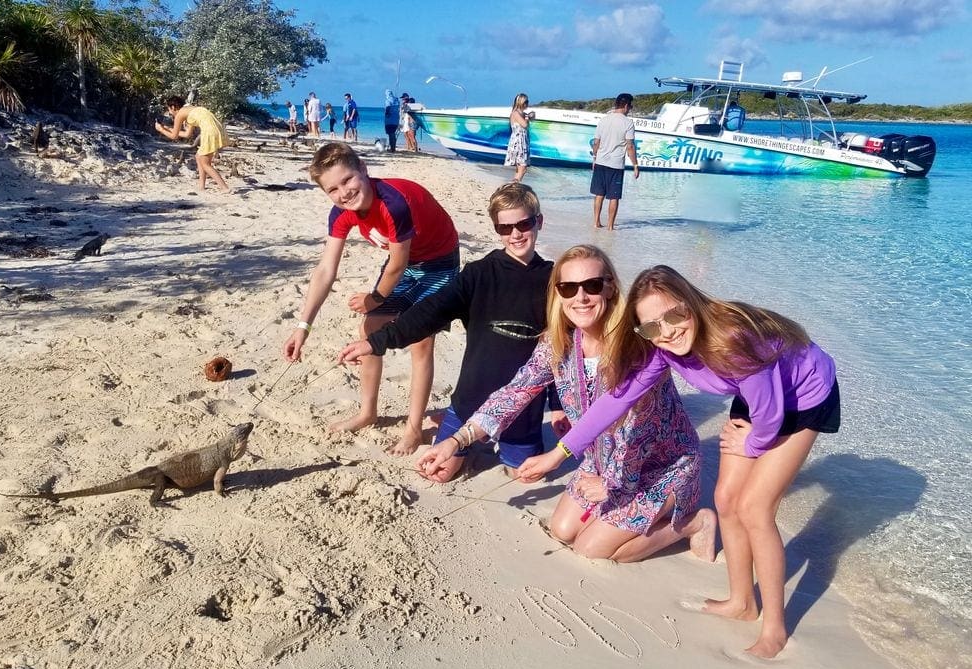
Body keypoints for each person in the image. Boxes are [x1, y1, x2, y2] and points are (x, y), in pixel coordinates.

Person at [519, 265, 840, 658]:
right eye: (651, 327)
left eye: (673, 316)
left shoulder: (733, 340)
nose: (667, 331)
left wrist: (752, 442)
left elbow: (770, 418)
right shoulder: (662, 350)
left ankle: (775, 627)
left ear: (691, 303)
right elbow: (616, 400)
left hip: (804, 397)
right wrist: (559, 453)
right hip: (757, 390)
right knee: (725, 501)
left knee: (755, 508)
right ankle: (742, 602)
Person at [418, 245, 715, 563]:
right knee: (562, 529)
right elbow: (514, 393)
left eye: (592, 285)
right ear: (558, 293)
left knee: (592, 549)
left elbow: (638, 430)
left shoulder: (637, 346)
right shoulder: (557, 344)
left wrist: (610, 485)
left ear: (611, 287)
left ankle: (695, 523)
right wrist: (456, 440)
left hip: (658, 465)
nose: (581, 297)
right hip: (600, 461)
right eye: (568, 287)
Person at [339, 183, 563, 482]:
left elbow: (563, 354)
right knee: (437, 473)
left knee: (524, 476)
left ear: (539, 222)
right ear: (496, 228)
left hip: (523, 410)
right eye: (505, 227)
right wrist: (376, 342)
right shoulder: (477, 274)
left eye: (524, 223)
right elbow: (428, 313)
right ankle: (454, 424)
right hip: (470, 402)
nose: (515, 234)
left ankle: (500, 442)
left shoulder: (556, 282)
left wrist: (559, 408)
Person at [284, 142, 460, 455]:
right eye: (333, 189)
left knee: (421, 341)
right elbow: (326, 269)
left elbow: (397, 264)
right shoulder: (341, 213)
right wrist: (303, 326)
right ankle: (368, 412)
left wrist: (374, 298)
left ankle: (414, 428)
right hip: (406, 263)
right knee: (370, 331)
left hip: (438, 261)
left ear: (364, 169)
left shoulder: (393, 203)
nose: (344, 193)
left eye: (348, 180)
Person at [154, 96, 230, 193]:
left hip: (209, 130)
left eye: (169, 109)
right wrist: (166, 129)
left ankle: (224, 188)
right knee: (199, 156)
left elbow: (174, 137)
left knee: (205, 163)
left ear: (173, 107)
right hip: (217, 128)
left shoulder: (180, 114)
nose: (170, 113)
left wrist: (160, 130)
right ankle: (201, 186)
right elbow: (186, 134)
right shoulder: (190, 109)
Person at [590, 92, 639, 231]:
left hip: (600, 161)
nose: (630, 109)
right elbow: (630, 146)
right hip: (616, 164)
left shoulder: (603, 120)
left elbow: (596, 142)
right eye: (630, 106)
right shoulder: (628, 123)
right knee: (614, 197)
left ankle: (596, 222)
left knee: (599, 194)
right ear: (625, 105)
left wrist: (594, 158)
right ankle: (610, 226)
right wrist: (635, 165)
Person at [504, 93, 534, 182]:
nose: (527, 104)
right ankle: (514, 186)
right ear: (521, 102)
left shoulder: (521, 113)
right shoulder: (516, 113)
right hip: (518, 142)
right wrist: (528, 117)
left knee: (520, 169)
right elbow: (524, 124)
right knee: (522, 168)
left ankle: (514, 186)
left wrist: (529, 116)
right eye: (526, 102)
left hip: (523, 141)